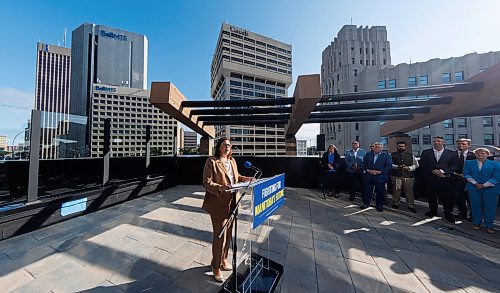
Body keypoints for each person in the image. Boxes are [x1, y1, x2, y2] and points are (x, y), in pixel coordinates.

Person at [202, 138, 253, 282]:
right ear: (219, 147)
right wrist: (220, 187)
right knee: (220, 236)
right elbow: (206, 183)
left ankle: (224, 259)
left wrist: (245, 179)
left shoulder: (232, 161)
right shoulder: (211, 161)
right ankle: (215, 266)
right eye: (225, 145)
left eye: (229, 145)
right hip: (218, 204)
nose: (228, 147)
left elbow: (236, 178)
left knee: (229, 234)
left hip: (233, 203)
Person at [419, 136, 457, 223]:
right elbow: (422, 164)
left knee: (447, 197)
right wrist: (433, 170)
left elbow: (454, 166)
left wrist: (442, 171)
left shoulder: (451, 153)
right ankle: (433, 211)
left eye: (439, 141)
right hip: (431, 178)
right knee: (431, 196)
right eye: (435, 141)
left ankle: (448, 213)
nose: (437, 142)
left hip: (445, 178)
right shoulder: (426, 152)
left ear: (443, 142)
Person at [463, 148, 500, 234]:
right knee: (475, 206)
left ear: (488, 154)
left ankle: (489, 225)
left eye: (482, 153)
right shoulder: (469, 163)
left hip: (491, 188)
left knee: (490, 207)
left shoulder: (496, 164)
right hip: (474, 188)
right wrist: (476, 183)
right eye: (478, 153)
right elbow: (466, 174)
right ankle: (476, 223)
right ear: (475, 154)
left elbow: (497, 176)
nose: (480, 155)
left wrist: (484, 185)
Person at [360, 142, 392, 212]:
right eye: (376, 147)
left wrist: (379, 172)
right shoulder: (368, 154)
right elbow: (363, 164)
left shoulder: (386, 156)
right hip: (369, 175)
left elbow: (388, 167)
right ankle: (366, 204)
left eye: (379, 147)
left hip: (380, 176)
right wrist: (368, 170)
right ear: (373, 147)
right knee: (367, 191)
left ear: (382, 148)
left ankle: (379, 206)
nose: (377, 149)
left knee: (380, 192)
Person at [390, 141, 419, 213]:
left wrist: (409, 168)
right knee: (396, 190)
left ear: (405, 147)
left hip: (408, 176)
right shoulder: (392, 155)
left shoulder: (411, 155)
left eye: (402, 146)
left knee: (409, 191)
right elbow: (389, 164)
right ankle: (396, 203)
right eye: (400, 146)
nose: (401, 148)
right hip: (396, 175)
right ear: (397, 147)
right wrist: (397, 167)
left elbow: (416, 165)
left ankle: (411, 205)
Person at [451, 138, 476, 220]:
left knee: (471, 199)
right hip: (456, 180)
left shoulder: (474, 156)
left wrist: (467, 175)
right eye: (459, 144)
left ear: (468, 145)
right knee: (458, 198)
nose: (461, 145)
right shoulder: (452, 155)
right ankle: (462, 213)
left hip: (470, 180)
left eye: (464, 144)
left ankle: (473, 215)